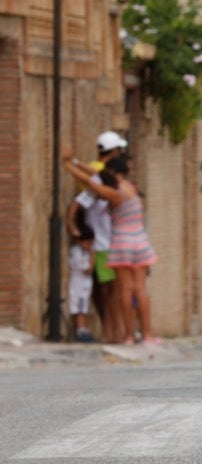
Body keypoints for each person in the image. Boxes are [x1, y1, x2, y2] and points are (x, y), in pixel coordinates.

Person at [64, 152, 161, 345]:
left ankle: (128, 335)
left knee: (124, 289)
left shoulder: (114, 194)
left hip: (123, 242)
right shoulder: (130, 187)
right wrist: (78, 162)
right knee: (140, 289)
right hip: (141, 241)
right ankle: (148, 334)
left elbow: (92, 182)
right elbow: (96, 175)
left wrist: (69, 166)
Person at [66, 131, 127, 342]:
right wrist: (72, 225)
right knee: (107, 291)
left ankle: (113, 331)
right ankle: (113, 331)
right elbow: (91, 183)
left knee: (105, 291)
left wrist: (73, 163)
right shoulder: (105, 177)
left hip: (105, 242)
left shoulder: (101, 174)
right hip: (102, 244)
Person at [68, 206, 96, 342]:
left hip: (85, 285)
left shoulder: (84, 252)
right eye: (87, 242)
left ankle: (83, 329)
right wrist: (92, 254)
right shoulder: (77, 253)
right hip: (78, 284)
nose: (90, 245)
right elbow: (88, 269)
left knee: (83, 307)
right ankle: (80, 330)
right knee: (79, 308)